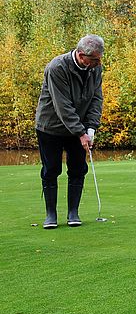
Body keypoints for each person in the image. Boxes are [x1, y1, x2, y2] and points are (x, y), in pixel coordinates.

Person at [34, 35, 105, 228]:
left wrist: (90, 129)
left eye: (99, 59)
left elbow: (96, 99)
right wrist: (80, 132)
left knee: (77, 168)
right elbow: (62, 106)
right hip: (50, 127)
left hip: (79, 127)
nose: (99, 63)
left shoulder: (95, 69)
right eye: (95, 60)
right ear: (82, 56)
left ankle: (73, 213)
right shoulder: (57, 67)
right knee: (51, 169)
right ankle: (51, 215)